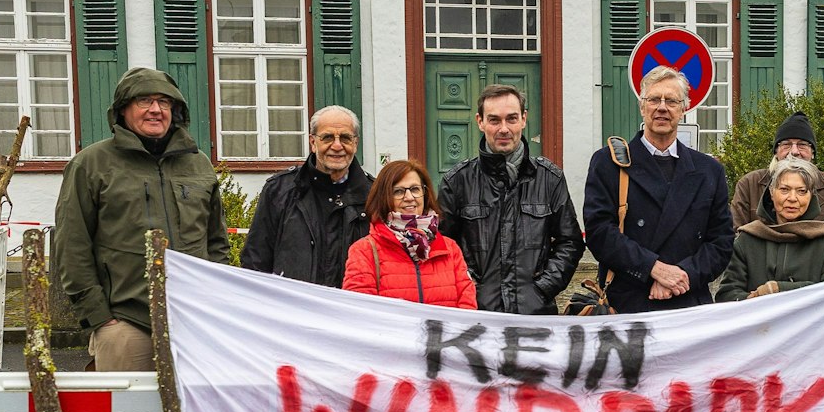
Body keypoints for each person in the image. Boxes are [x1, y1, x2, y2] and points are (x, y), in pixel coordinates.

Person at [54, 67, 229, 370]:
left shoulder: (198, 164)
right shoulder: (91, 165)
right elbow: (72, 246)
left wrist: (216, 304)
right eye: (144, 101)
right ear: (123, 110)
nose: (156, 110)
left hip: (194, 321)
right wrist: (100, 318)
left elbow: (216, 243)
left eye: (164, 102)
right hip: (127, 323)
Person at [581, 66, 734, 312]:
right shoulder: (609, 162)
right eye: (654, 99)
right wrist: (653, 268)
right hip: (628, 305)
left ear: (684, 109)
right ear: (642, 106)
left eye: (671, 100)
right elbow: (599, 232)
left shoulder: (709, 171)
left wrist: (683, 276)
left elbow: (721, 242)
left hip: (689, 303)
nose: (662, 107)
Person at [437, 84, 585, 314]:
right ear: (480, 121)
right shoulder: (457, 182)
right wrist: (471, 287)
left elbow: (570, 241)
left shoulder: (550, 179)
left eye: (512, 119)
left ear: (524, 119)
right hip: (477, 314)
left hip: (535, 316)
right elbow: (443, 246)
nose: (504, 129)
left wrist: (543, 288)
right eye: (494, 120)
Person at [241, 106, 372, 286]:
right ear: (312, 142)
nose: (337, 146)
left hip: (352, 309)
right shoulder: (279, 191)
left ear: (355, 144)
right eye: (327, 137)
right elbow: (255, 262)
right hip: (292, 309)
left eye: (345, 138)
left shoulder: (374, 195)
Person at [341, 160, 477, 308]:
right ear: (384, 198)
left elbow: (467, 310)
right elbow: (360, 312)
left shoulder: (450, 249)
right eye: (398, 191)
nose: (409, 197)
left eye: (415, 189)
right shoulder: (364, 251)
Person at [716, 156, 824, 302]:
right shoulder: (747, 239)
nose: (792, 198)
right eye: (784, 190)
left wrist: (778, 289)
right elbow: (726, 295)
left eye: (801, 191)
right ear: (771, 193)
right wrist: (755, 299)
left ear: (811, 196)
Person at [730, 111, 824, 228]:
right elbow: (734, 233)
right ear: (776, 152)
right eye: (786, 144)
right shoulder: (750, 184)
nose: (794, 152)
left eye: (802, 145)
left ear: (813, 152)